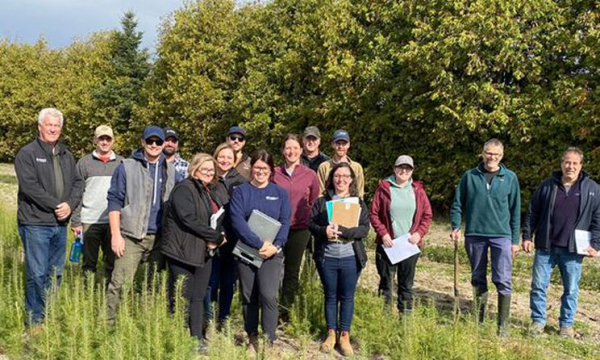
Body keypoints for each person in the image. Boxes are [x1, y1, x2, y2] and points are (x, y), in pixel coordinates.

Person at [15, 108, 83, 325]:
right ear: (40, 127)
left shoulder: (66, 154)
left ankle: (49, 317)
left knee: (55, 274)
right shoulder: (27, 154)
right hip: (35, 223)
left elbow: (77, 183)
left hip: (60, 224)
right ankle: (34, 322)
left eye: (57, 126)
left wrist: (70, 206)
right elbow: (29, 187)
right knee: (37, 273)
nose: (53, 129)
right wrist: (57, 205)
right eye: (49, 125)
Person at [522, 147, 600, 338]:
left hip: (573, 250)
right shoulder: (548, 185)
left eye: (574, 163)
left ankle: (566, 325)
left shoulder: (592, 189)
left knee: (571, 289)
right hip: (546, 246)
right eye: (567, 162)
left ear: (581, 166)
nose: (570, 166)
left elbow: (598, 218)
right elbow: (533, 212)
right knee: (539, 286)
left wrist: (596, 245)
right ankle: (538, 322)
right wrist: (526, 236)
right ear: (561, 164)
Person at [450, 138, 521, 337]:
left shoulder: (510, 178)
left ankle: (503, 326)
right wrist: (456, 226)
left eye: (496, 155)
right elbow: (457, 204)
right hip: (475, 234)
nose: (492, 157)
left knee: (503, 279)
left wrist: (515, 241)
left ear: (502, 156)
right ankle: (479, 320)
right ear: (482, 153)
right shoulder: (469, 176)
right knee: (478, 277)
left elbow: (515, 210)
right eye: (489, 153)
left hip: (501, 236)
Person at [106, 125, 176, 323]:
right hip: (131, 236)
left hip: (160, 239)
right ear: (142, 142)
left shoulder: (170, 170)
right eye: (150, 141)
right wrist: (116, 235)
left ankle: (146, 324)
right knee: (119, 283)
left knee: (153, 285)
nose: (154, 145)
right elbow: (114, 201)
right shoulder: (127, 166)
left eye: (158, 142)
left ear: (164, 144)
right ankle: (107, 324)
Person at [161, 153, 228, 349]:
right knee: (183, 297)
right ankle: (178, 338)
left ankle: (197, 338)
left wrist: (219, 234)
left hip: (202, 252)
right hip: (182, 252)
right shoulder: (184, 189)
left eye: (211, 170)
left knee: (198, 297)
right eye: (204, 169)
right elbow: (189, 219)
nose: (208, 173)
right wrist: (214, 237)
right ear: (194, 169)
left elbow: (211, 218)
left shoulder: (206, 190)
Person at [229, 150, 291, 350]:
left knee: (268, 295)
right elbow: (237, 221)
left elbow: (285, 222)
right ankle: (252, 338)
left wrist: (276, 246)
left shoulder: (280, 193)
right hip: (247, 251)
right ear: (251, 168)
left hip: (272, 253)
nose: (260, 171)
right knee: (249, 296)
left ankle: (269, 339)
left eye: (264, 168)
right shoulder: (241, 191)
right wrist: (258, 244)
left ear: (271, 170)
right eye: (257, 167)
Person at [309, 162, 370, 356]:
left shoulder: (358, 202)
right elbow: (310, 224)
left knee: (347, 297)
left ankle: (345, 336)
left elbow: (364, 229)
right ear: (331, 178)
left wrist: (344, 231)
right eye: (337, 176)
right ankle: (331, 334)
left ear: (351, 179)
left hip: (350, 257)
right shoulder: (321, 202)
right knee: (330, 296)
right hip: (327, 257)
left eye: (345, 176)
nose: (341, 179)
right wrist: (323, 230)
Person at [370, 155, 432, 315]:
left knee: (406, 284)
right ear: (394, 169)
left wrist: (418, 234)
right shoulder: (384, 188)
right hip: (388, 245)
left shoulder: (418, 190)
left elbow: (427, 215)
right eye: (400, 167)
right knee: (386, 283)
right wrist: (383, 234)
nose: (403, 171)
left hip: (409, 246)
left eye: (407, 168)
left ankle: (405, 318)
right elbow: (374, 214)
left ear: (412, 171)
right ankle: (384, 317)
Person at [272, 134, 320, 319]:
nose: (291, 151)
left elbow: (314, 200)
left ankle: (285, 309)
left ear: (301, 150)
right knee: (274, 269)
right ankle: (271, 307)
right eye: (288, 148)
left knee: (292, 271)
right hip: (277, 227)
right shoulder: (274, 173)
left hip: (300, 229)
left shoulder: (310, 175)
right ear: (283, 151)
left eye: (295, 148)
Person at [71, 125, 123, 280]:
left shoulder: (122, 163)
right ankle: (89, 296)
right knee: (88, 263)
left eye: (108, 138)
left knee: (112, 263)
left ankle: (108, 297)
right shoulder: (84, 163)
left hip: (113, 223)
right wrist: (76, 221)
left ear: (113, 141)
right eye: (101, 138)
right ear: (95, 140)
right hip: (89, 221)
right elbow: (77, 193)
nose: (105, 142)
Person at [203, 142, 247, 326]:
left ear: (235, 159)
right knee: (210, 282)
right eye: (221, 156)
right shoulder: (208, 180)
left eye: (229, 157)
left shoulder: (242, 182)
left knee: (228, 283)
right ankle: (209, 319)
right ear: (215, 157)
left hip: (233, 239)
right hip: (212, 240)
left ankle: (224, 319)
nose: (225, 160)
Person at [316, 129, 365, 198]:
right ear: (333, 144)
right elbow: (320, 193)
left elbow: (360, 193)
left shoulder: (357, 168)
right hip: (329, 206)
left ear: (348, 145)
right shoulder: (324, 167)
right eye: (338, 143)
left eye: (344, 144)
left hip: (351, 206)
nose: (340, 147)